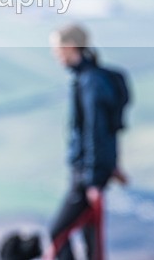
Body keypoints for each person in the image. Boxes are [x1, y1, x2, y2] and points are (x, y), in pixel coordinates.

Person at [44, 24, 129, 260]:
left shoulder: (90, 83)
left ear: (70, 47)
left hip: (86, 176)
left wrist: (93, 179)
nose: (55, 54)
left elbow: (95, 131)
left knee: (58, 233)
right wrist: (111, 166)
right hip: (92, 172)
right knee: (90, 240)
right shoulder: (90, 79)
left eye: (57, 49)